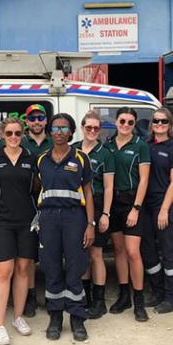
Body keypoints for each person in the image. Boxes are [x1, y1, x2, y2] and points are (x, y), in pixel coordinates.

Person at [35, 113, 95, 341]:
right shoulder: (42, 160)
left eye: (64, 129)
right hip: (49, 218)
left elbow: (88, 192)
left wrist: (90, 224)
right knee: (50, 266)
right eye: (55, 128)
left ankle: (77, 318)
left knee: (76, 265)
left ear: (71, 133)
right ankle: (56, 317)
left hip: (75, 218)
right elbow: (36, 189)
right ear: (50, 132)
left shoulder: (81, 158)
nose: (59, 133)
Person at [0, 117, 37, 345]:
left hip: (27, 220)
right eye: (9, 134)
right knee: (3, 271)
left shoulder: (31, 157)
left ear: (23, 134)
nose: (14, 138)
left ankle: (17, 317)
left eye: (17, 133)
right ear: (2, 134)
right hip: (1, 220)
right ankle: (0, 325)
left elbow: (38, 187)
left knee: (24, 268)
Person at [104, 107, 150, 322]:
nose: (125, 125)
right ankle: (124, 296)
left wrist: (136, 208)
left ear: (134, 124)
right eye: (122, 121)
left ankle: (139, 301)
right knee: (119, 250)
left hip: (132, 202)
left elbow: (144, 180)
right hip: (113, 203)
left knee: (133, 252)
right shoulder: (108, 145)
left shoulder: (140, 145)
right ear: (116, 121)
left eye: (130, 122)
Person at [141, 108, 173, 315]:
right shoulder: (146, 145)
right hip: (147, 206)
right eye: (156, 121)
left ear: (170, 124)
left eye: (164, 121)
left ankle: (172, 297)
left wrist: (164, 210)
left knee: (169, 252)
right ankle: (158, 291)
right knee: (148, 251)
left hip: (166, 206)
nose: (159, 124)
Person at [71, 110, 114, 319]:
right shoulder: (72, 150)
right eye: (89, 127)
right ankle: (84, 296)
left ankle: (99, 301)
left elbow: (108, 187)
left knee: (96, 254)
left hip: (96, 205)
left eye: (96, 128)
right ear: (82, 127)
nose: (92, 131)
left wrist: (105, 213)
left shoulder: (105, 153)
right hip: (75, 207)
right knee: (82, 254)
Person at [21, 103, 52, 317]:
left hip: (52, 204)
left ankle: (52, 294)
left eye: (40, 118)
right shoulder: (21, 142)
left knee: (51, 253)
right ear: (27, 122)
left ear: (46, 121)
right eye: (33, 118)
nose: (37, 122)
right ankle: (30, 297)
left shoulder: (55, 141)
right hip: (27, 203)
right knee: (30, 255)